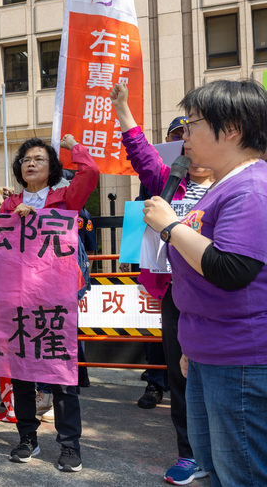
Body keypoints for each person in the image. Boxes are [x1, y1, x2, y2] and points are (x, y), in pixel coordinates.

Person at [141, 79, 267, 487]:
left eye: (192, 124)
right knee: (215, 468)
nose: (185, 135)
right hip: (208, 352)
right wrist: (193, 347)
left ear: (230, 129)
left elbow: (231, 269)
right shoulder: (224, 185)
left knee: (241, 474)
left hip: (240, 357)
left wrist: (170, 226)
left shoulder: (251, 188)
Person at [111, 82, 214, 485]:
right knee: (181, 373)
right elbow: (140, 152)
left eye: (192, 136)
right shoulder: (171, 183)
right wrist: (123, 108)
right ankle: (190, 453)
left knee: (226, 373)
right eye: (183, 140)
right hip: (178, 292)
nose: (187, 146)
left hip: (227, 290)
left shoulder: (236, 186)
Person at [1, 134, 99, 473]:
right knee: (22, 375)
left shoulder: (65, 198)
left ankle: (70, 444)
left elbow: (91, 173)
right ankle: (28, 437)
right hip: (18, 299)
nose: (31, 163)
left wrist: (75, 147)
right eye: (26, 158)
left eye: (39, 159)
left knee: (61, 375)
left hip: (57, 300)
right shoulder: (8, 204)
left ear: (53, 167)